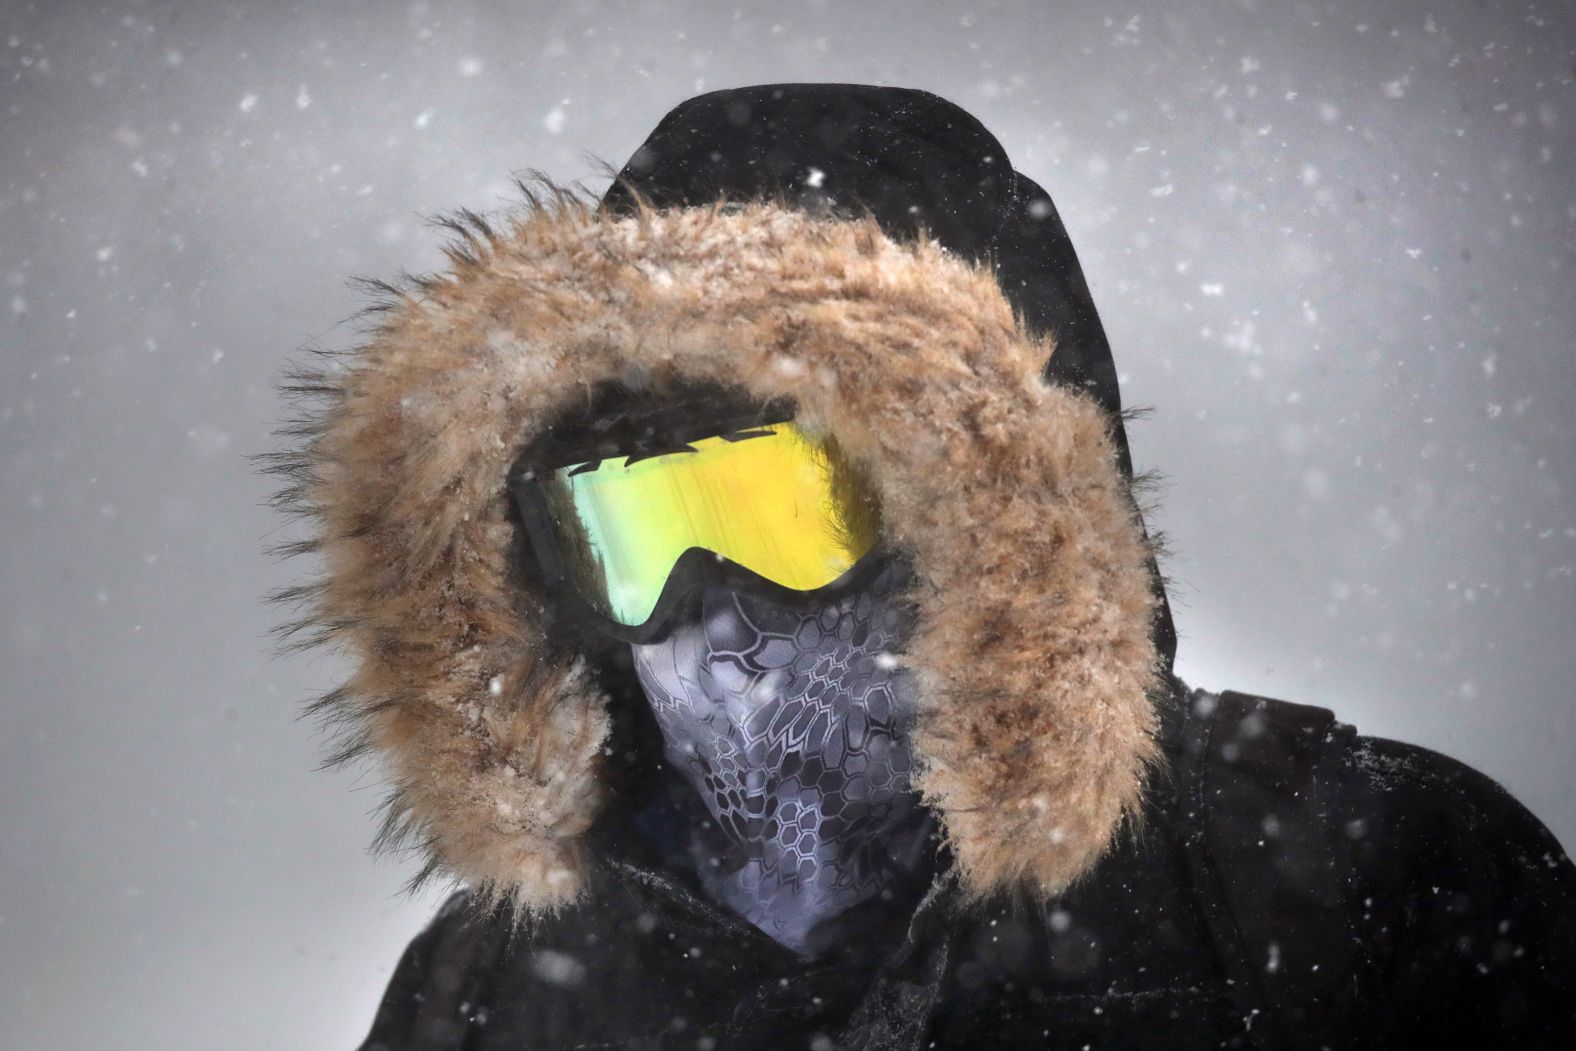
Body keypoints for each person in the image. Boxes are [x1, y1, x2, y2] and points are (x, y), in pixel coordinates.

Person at [269, 84, 1576, 1049]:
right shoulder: (488, 1006)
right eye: (635, 533)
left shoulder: (1351, 878)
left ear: (988, 523)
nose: (715, 623)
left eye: (785, 508)